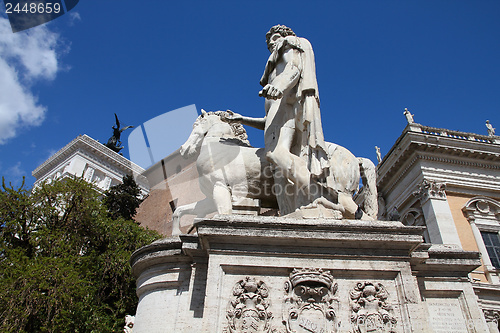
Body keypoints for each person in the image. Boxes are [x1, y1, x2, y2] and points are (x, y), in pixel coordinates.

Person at [224, 25, 330, 215]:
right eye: (269, 41)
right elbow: (268, 122)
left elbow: (294, 68)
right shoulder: (274, 66)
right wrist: (241, 119)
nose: (271, 43)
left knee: (276, 155)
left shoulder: (287, 46)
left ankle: (321, 195)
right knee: (279, 175)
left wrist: (279, 87)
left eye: (274, 37)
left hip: (289, 109)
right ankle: (290, 214)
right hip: (279, 118)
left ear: (283, 36)